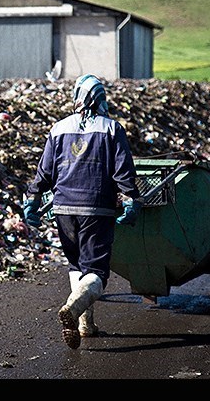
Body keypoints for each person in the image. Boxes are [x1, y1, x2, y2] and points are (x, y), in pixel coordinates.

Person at [22, 74, 143, 349]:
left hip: (63, 208)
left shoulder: (58, 128)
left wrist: (32, 198)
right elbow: (123, 173)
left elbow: (45, 172)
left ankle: (85, 326)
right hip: (97, 209)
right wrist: (133, 200)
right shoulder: (112, 128)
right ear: (101, 99)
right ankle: (73, 309)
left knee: (77, 265)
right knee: (97, 273)